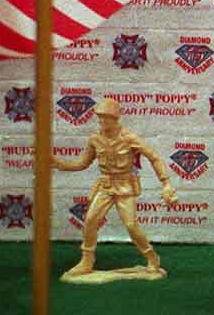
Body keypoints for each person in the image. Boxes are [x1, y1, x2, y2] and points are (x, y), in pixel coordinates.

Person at [54, 97, 178, 280]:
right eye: (100, 118)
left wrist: (166, 183)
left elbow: (154, 157)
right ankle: (86, 261)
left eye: (106, 118)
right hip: (105, 187)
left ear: (115, 118)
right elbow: (82, 163)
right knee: (90, 221)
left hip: (125, 187)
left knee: (130, 225)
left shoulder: (129, 138)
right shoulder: (95, 139)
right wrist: (57, 163)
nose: (102, 122)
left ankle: (151, 257)